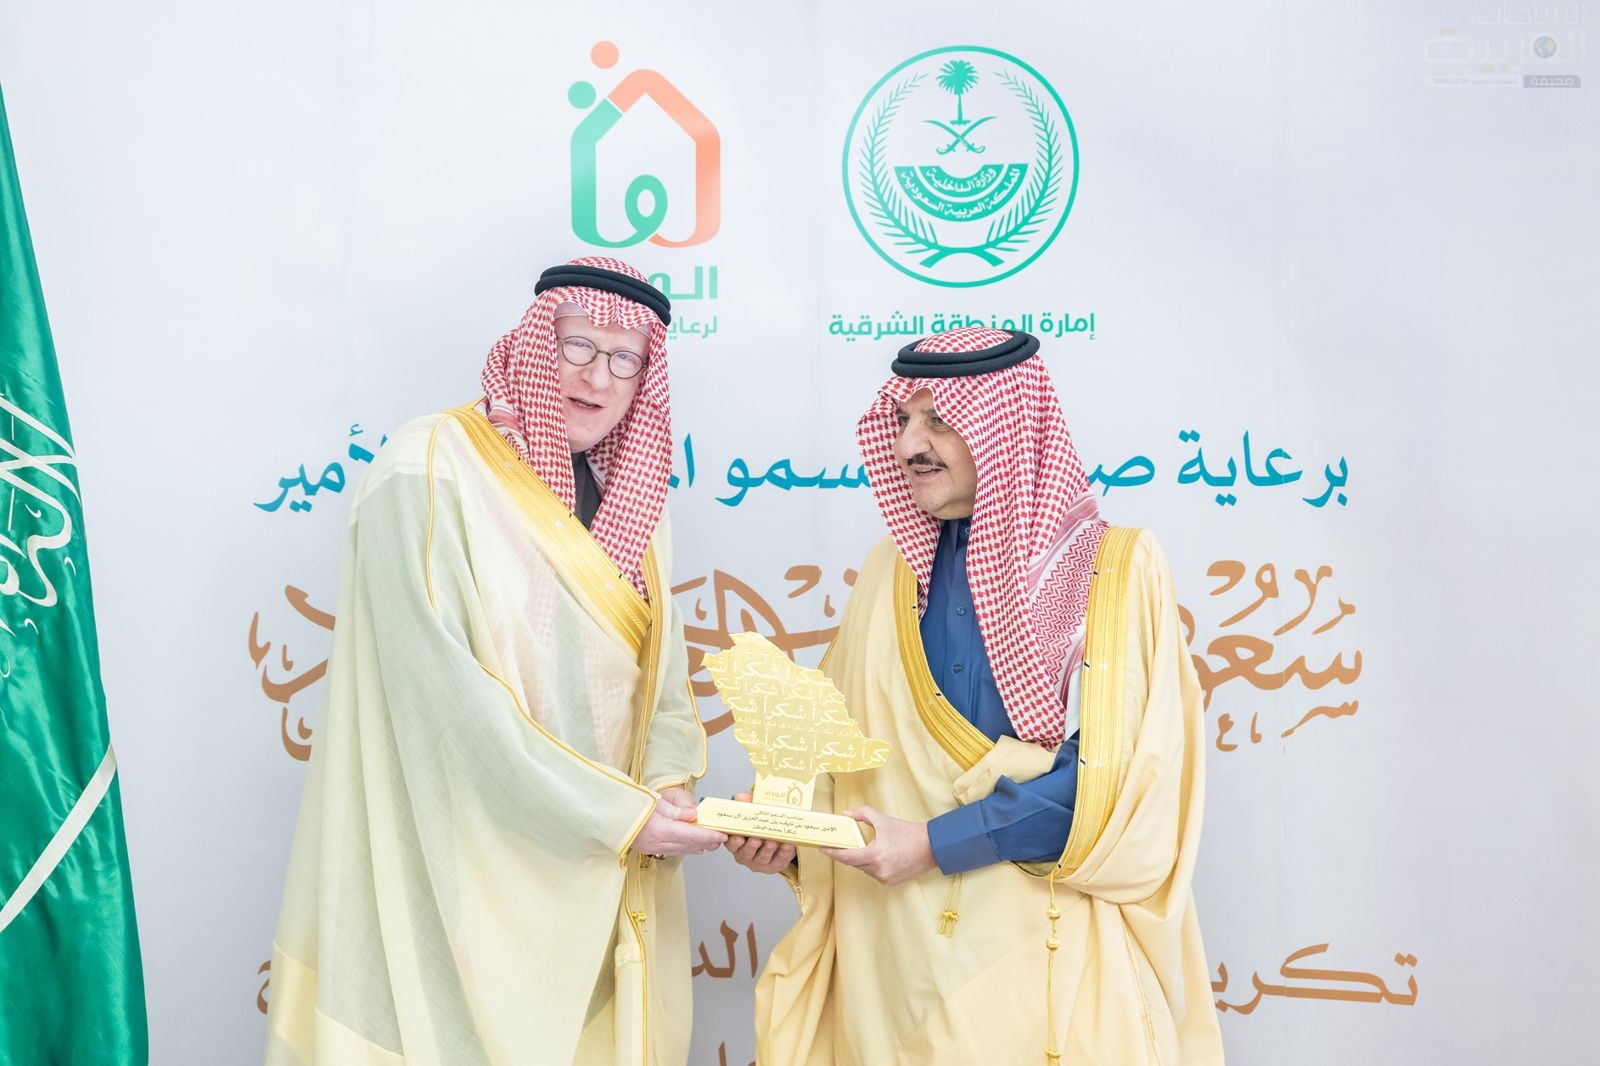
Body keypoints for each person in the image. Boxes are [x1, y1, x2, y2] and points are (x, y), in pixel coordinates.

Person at [265, 257, 725, 1066]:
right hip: (457, 859)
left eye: (625, 359)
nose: (598, 377)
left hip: (600, 867)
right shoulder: (428, 465)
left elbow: (663, 682)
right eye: (579, 346)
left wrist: (666, 784)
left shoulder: (637, 505)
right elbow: (437, 693)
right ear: (535, 343)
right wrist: (611, 812)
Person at [729, 328, 1225, 1064]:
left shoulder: (1115, 570)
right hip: (892, 971)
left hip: (1042, 962)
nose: (910, 445)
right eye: (903, 420)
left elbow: (1116, 785)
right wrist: (789, 834)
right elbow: (838, 756)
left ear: (1007, 429)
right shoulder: (888, 572)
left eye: (940, 420)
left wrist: (934, 844)